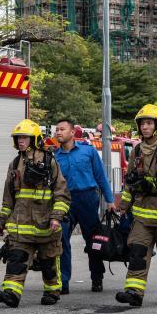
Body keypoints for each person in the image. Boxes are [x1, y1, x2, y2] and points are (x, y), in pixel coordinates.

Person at [0, 119, 71, 307]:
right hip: (21, 227)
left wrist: (56, 217)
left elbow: (61, 193)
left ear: (34, 139)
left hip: (46, 226)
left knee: (48, 263)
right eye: (18, 137)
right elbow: (8, 198)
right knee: (16, 259)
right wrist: (1, 221)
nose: (20, 141)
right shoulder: (14, 164)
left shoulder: (49, 162)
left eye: (24, 137)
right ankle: (11, 293)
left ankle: (52, 291)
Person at [115, 104, 157, 307]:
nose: (145, 127)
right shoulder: (136, 150)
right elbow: (130, 182)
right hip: (142, 215)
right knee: (137, 253)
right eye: (142, 124)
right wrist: (123, 205)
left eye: (149, 123)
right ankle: (134, 292)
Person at [55, 118, 115, 294]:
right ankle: (63, 281)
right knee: (61, 238)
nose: (58, 132)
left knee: (93, 240)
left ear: (72, 132)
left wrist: (110, 201)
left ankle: (97, 277)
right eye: (57, 130)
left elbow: (101, 176)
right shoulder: (54, 156)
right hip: (65, 200)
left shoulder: (88, 151)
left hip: (87, 198)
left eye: (62, 129)